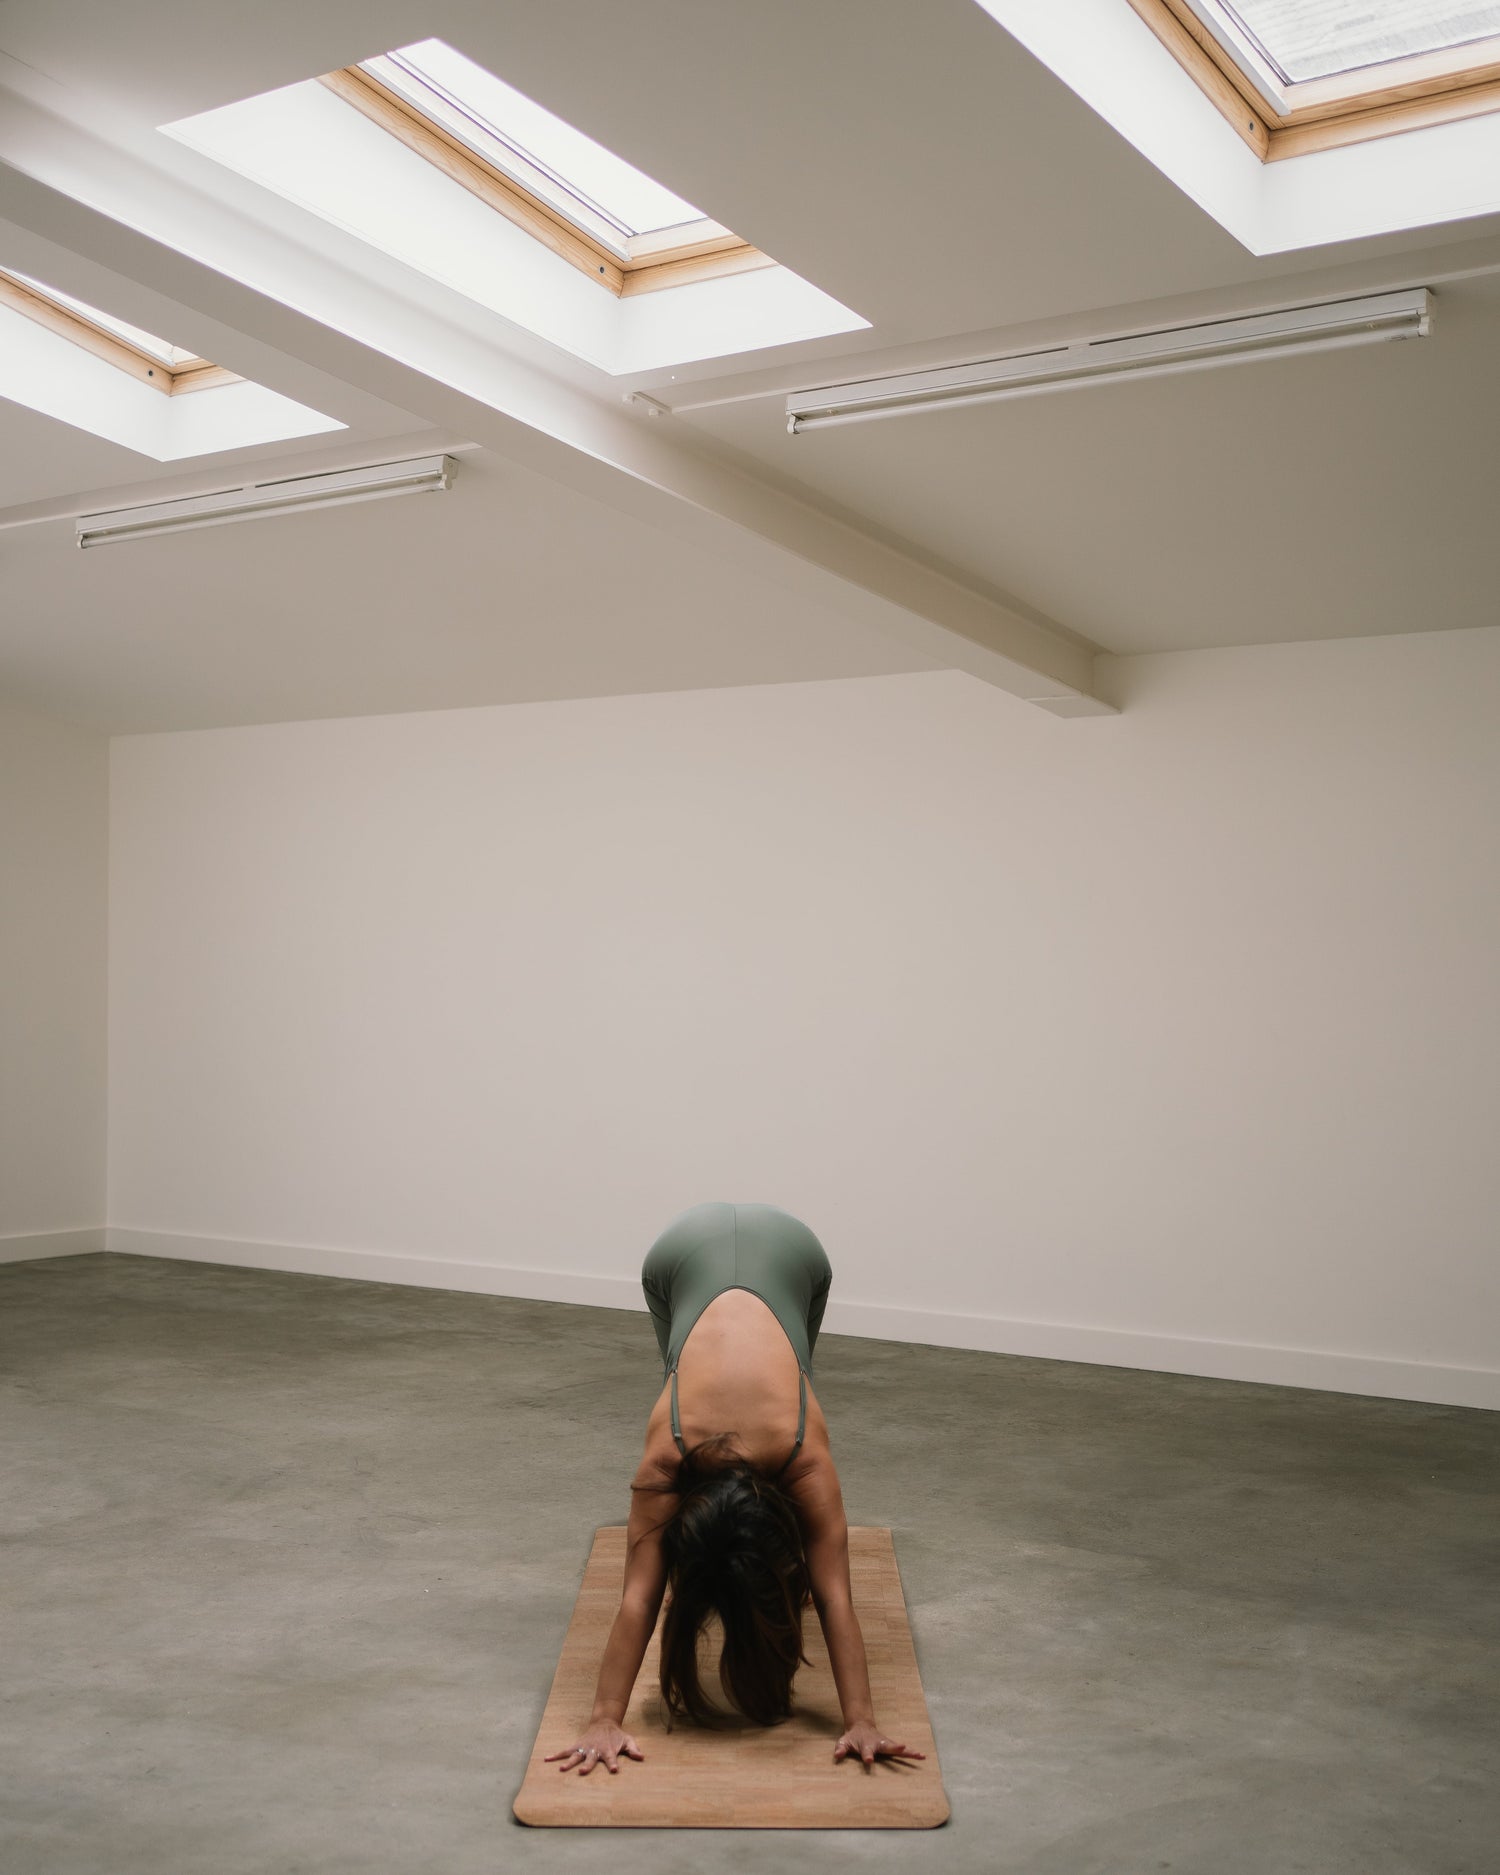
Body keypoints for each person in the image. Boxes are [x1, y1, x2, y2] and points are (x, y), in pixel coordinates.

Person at [546, 1201, 926, 1777]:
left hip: (796, 1258)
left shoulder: (803, 1454)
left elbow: (831, 1596)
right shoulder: (666, 1455)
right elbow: (642, 1597)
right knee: (684, 1364)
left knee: (789, 1366)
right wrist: (603, 1715)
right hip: (676, 1258)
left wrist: (861, 1717)